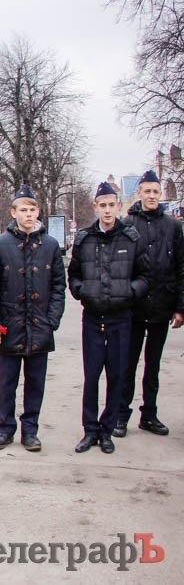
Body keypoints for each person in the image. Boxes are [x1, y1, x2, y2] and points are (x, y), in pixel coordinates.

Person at [68, 181, 150, 455]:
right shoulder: (84, 239)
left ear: (118, 206)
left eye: (111, 205)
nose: (107, 210)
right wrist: (81, 291)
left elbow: (145, 276)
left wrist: (128, 292)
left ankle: (107, 431)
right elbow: (74, 274)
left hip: (120, 318)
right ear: (95, 207)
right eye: (102, 205)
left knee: (116, 377)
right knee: (91, 377)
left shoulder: (131, 238)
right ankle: (90, 430)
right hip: (92, 318)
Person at [0, 185, 66, 452]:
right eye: (23, 210)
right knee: (7, 383)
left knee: (35, 383)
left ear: (38, 212)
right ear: (13, 212)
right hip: (10, 325)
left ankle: (30, 431)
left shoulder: (50, 245)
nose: (28, 214)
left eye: (32, 210)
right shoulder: (0, 244)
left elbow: (59, 286)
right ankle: (5, 429)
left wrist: (52, 320)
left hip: (40, 326)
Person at [116, 169, 184, 437]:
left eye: (156, 191)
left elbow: (181, 267)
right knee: (127, 364)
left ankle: (150, 415)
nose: (152, 196)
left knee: (153, 365)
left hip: (162, 306)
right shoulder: (127, 224)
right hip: (133, 308)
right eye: (147, 191)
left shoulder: (172, 226)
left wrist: (180, 307)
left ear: (160, 193)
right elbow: (119, 266)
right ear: (140, 193)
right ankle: (121, 415)